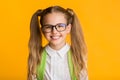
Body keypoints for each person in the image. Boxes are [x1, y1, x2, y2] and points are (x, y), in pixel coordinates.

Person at [28, 6, 88, 80]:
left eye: (60, 26)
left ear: (68, 28)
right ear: (42, 30)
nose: (54, 31)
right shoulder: (36, 56)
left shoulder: (77, 56)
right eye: (48, 27)